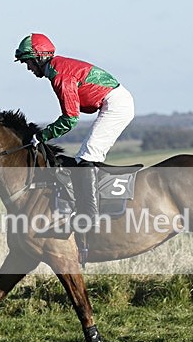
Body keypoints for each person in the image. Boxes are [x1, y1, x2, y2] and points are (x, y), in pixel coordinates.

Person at [14, 33, 134, 250]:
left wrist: (41, 136)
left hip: (116, 103)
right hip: (113, 100)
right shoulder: (56, 69)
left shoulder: (60, 75)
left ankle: (89, 216)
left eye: (28, 62)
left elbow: (70, 119)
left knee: (88, 156)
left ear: (39, 58)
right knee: (84, 157)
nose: (29, 68)